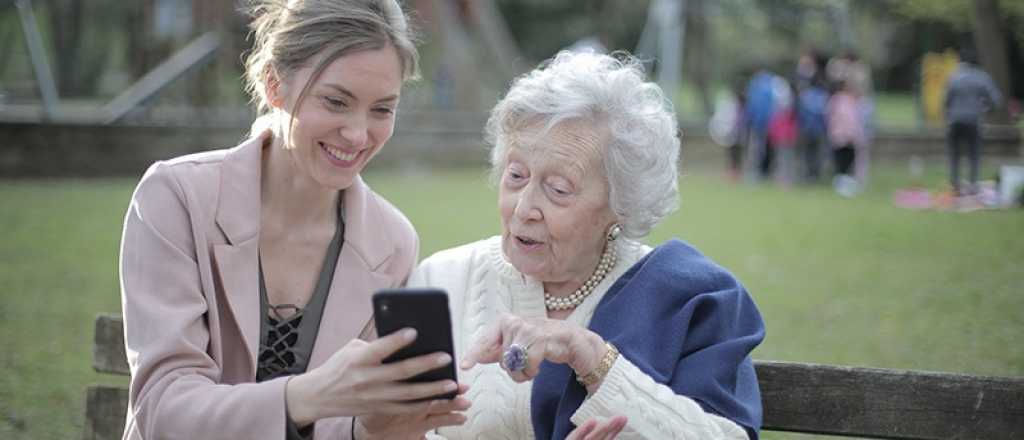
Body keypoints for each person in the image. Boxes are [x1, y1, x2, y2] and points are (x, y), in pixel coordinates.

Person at [118, 1, 471, 439]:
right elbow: (162, 410)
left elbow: (342, 426)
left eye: (382, 109)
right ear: (273, 85)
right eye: (336, 101)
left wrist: (375, 427)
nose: (359, 135)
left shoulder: (392, 241)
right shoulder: (176, 198)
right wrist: (305, 395)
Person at [402, 51, 766, 439]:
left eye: (558, 189)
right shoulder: (439, 281)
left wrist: (590, 357)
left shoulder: (689, 297)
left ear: (621, 204)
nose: (524, 208)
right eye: (515, 175)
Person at [944, 47, 1003, 196]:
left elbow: (946, 101)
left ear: (960, 61)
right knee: (974, 153)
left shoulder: (953, 77)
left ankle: (955, 185)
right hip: (974, 120)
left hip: (955, 120)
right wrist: (986, 109)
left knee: (955, 153)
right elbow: (997, 100)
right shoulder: (981, 77)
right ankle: (973, 185)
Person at [827, 80, 866, 197]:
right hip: (844, 137)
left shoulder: (838, 101)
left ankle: (844, 185)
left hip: (843, 137)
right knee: (843, 162)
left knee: (844, 162)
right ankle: (842, 185)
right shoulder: (844, 101)